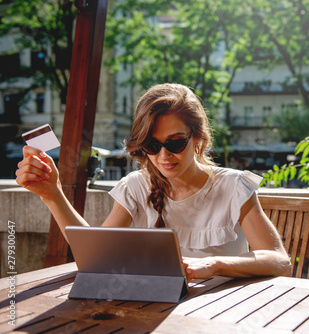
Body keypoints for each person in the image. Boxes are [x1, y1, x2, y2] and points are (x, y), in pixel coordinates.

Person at [16, 83, 292, 282]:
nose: (164, 156)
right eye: (152, 145)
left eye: (175, 142)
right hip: (154, 310)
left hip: (221, 312)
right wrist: (52, 194)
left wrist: (214, 264)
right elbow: (96, 256)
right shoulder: (136, 187)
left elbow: (280, 261)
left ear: (197, 138)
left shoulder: (232, 186)